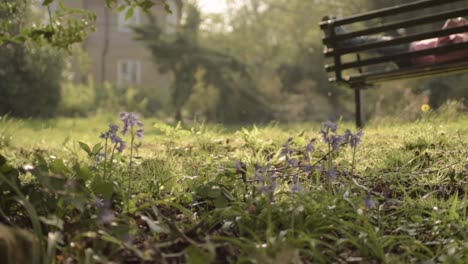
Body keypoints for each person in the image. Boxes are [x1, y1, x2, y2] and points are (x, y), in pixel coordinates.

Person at [323, 17, 468, 67]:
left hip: (410, 53)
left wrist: (450, 25)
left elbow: (439, 56)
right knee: (374, 42)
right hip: (410, 49)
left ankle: (339, 38)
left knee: (374, 41)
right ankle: (340, 39)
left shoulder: (465, 48)